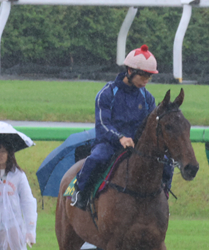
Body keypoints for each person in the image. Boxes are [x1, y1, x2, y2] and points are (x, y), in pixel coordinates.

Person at [72, 44, 173, 209]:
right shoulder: (106, 94)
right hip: (109, 143)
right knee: (97, 158)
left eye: (149, 76)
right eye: (143, 75)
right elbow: (103, 125)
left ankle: (163, 195)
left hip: (138, 146)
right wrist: (120, 138)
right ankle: (80, 192)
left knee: (166, 162)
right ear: (130, 71)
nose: (146, 80)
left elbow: (150, 126)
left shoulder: (148, 98)